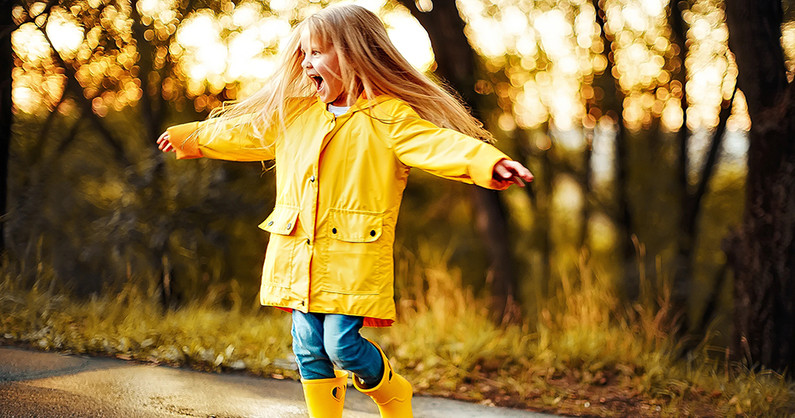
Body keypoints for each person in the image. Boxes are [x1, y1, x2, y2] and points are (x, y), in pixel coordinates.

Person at [157, 4, 533, 418]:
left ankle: (393, 394)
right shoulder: (295, 115)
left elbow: (436, 144)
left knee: (341, 345)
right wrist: (192, 137)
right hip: (299, 253)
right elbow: (245, 132)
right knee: (307, 347)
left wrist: (488, 163)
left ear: (355, 54)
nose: (307, 62)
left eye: (317, 52)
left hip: (352, 257)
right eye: (304, 53)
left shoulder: (388, 117)